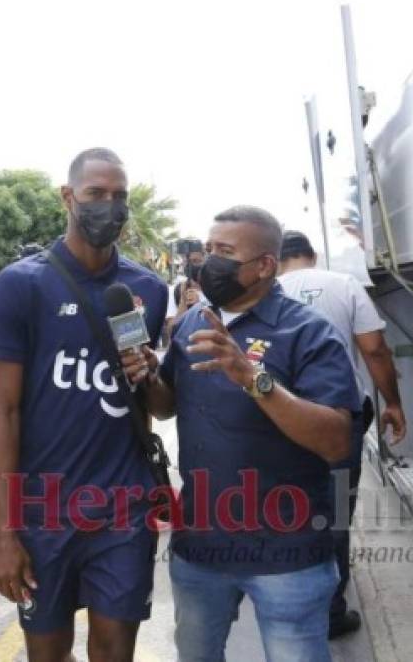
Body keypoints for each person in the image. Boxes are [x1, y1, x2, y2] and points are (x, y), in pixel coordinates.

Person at [129, 205, 360, 662]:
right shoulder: (195, 322)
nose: (208, 260)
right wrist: (147, 377)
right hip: (201, 549)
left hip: (288, 554)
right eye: (208, 248)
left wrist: (252, 377)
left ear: (264, 266)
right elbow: (168, 404)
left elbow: (336, 440)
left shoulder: (308, 332)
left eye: (225, 251)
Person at [0, 147, 169, 661]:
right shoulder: (22, 284)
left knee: (114, 651)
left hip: (124, 510)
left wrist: (149, 370)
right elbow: (3, 412)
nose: (108, 207)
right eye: (95, 195)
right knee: (48, 653)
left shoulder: (144, 290)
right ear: (68, 197)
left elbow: (153, 404)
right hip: (44, 511)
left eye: (119, 197)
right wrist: (5, 533)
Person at [278, 229, 407, 638]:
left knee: (283, 508)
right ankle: (330, 611)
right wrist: (393, 403)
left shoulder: (265, 291)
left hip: (279, 420)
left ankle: (282, 600)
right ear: (312, 255)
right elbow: (373, 349)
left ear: (276, 259)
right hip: (338, 420)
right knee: (333, 512)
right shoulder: (344, 284)